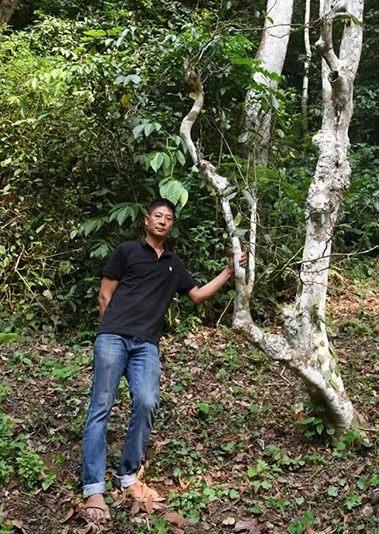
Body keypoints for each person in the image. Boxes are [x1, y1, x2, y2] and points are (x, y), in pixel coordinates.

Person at [81, 198, 246, 523]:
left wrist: (229, 270)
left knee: (146, 401)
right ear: (146, 220)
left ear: (171, 225)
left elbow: (197, 296)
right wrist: (108, 331)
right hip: (113, 338)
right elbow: (105, 295)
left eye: (168, 218)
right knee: (101, 406)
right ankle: (93, 487)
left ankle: (127, 476)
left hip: (146, 346)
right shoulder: (126, 251)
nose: (163, 221)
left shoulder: (174, 264)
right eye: (158, 216)